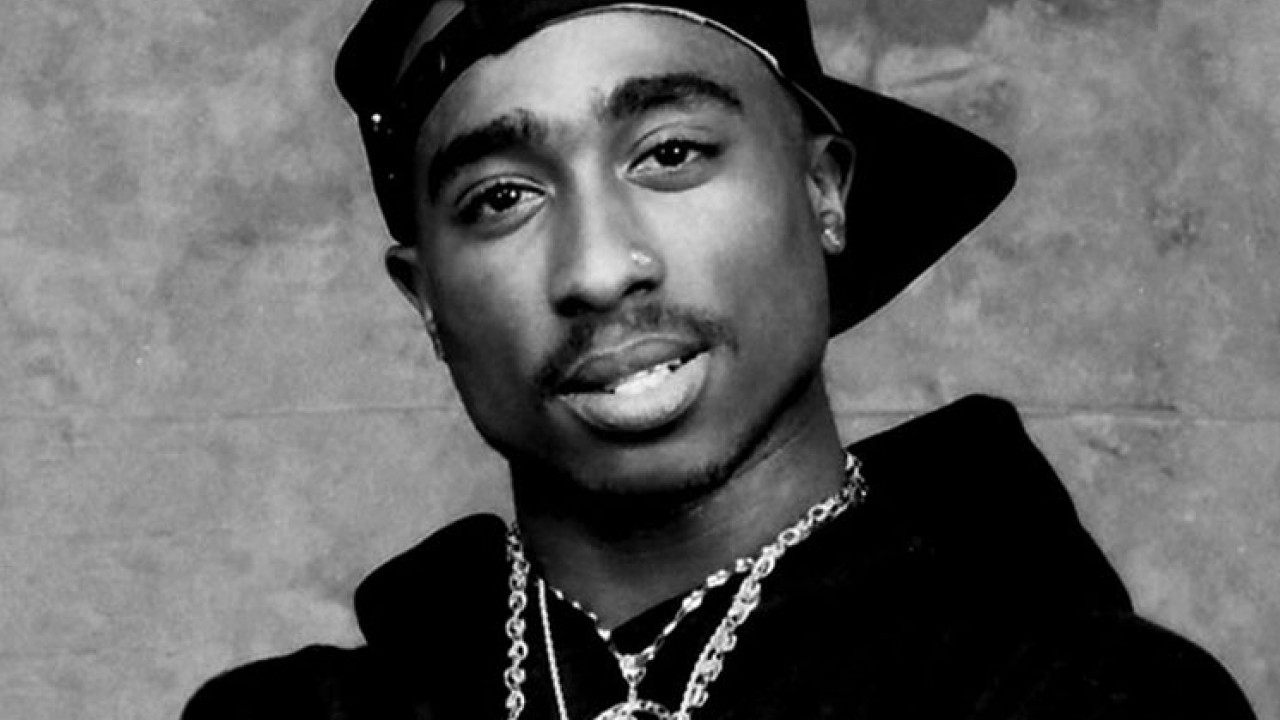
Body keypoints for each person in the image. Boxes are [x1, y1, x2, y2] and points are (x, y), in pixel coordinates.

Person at [183, 1, 1258, 718]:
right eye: (502, 197)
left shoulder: (1083, 699)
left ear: (823, 189)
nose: (599, 268)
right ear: (424, 299)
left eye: (670, 153)